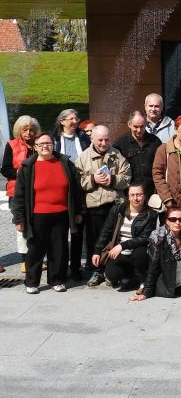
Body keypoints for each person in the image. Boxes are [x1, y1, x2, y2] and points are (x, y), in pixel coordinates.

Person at [11, 132, 82, 294]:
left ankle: (56, 280)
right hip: (38, 216)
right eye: (41, 144)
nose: (45, 146)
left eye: (48, 143)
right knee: (35, 250)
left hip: (61, 214)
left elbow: (76, 190)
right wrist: (19, 219)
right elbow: (19, 196)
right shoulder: (28, 167)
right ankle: (32, 282)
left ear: (53, 144)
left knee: (58, 249)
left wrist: (78, 211)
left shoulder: (64, 162)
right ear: (35, 147)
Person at [75, 125, 131, 286]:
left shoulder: (116, 155)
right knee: (94, 240)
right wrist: (93, 180)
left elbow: (127, 177)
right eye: (100, 140)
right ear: (92, 139)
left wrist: (112, 180)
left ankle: (110, 271)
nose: (103, 143)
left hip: (114, 205)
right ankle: (96, 271)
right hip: (94, 206)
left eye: (106, 139)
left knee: (113, 239)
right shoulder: (83, 157)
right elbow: (77, 182)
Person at [91, 183, 157, 289]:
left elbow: (145, 238)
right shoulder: (117, 210)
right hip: (120, 252)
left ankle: (140, 278)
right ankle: (129, 276)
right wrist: (97, 251)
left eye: (139, 195)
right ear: (128, 196)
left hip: (138, 251)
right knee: (112, 274)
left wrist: (122, 245)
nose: (136, 198)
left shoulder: (151, 214)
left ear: (145, 196)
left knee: (140, 253)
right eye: (132, 195)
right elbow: (105, 231)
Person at [53, 108, 91, 280]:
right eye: (71, 118)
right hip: (60, 187)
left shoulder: (83, 137)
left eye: (76, 118)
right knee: (60, 231)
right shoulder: (54, 139)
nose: (75, 121)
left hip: (79, 187)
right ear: (62, 121)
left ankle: (75, 267)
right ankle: (59, 268)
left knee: (77, 230)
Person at [1, 115, 40, 273]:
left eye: (32, 130)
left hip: (39, 191)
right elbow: (5, 169)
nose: (29, 133)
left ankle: (36, 258)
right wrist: (20, 172)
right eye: (25, 130)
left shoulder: (41, 144)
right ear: (19, 130)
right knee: (22, 226)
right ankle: (25, 261)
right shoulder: (12, 145)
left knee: (38, 226)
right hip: (18, 192)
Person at [152, 115, 181, 225]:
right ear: (175, 129)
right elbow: (157, 174)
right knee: (169, 234)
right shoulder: (164, 149)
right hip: (170, 202)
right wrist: (167, 198)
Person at [113, 110, 161, 194]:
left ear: (146, 124)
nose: (139, 130)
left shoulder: (155, 141)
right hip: (129, 192)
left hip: (151, 191)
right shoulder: (120, 144)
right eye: (135, 127)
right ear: (129, 124)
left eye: (142, 126)